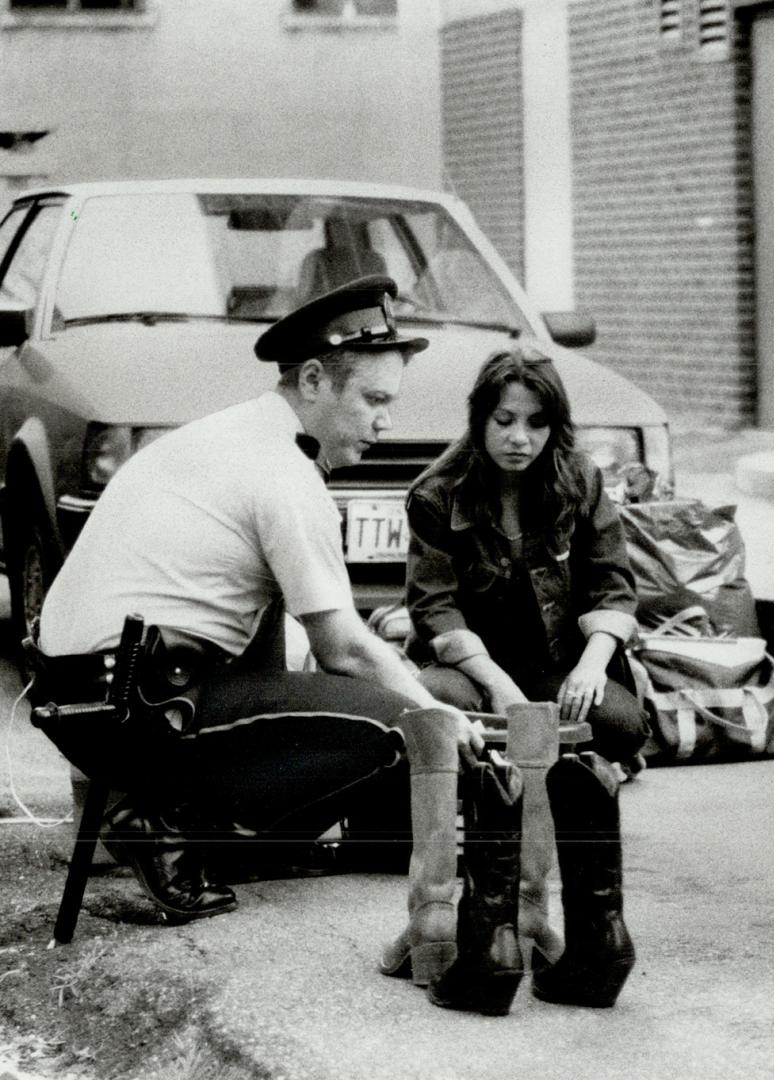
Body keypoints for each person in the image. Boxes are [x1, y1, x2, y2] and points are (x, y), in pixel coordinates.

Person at [30, 275, 490, 997]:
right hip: (140, 705)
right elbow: (344, 647)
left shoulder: (232, 432)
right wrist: (440, 717)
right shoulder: (283, 472)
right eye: (373, 401)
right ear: (313, 379)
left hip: (88, 696)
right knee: (398, 725)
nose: (385, 424)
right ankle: (162, 822)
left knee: (338, 684)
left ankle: (177, 816)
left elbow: (257, 624)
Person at [403, 344, 642, 1008]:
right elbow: (433, 605)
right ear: (480, 419)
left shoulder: (578, 479)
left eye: (535, 423)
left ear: (553, 424)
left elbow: (613, 583)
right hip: (478, 672)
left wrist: (593, 664)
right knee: (432, 709)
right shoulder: (436, 493)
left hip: (563, 667)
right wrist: (497, 683)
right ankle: (461, 920)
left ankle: (546, 934)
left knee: (614, 721)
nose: (519, 438)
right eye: (505, 420)